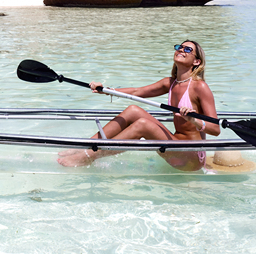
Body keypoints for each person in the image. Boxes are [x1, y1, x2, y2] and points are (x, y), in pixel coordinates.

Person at [57, 40, 220, 170]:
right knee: (133, 110)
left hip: (190, 157)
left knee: (143, 124)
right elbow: (136, 92)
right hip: (175, 143)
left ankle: (89, 155)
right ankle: (84, 146)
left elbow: (216, 129)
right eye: (179, 47)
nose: (181, 50)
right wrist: (106, 90)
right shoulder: (170, 83)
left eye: (188, 50)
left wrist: (194, 121)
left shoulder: (200, 87)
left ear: (197, 61)